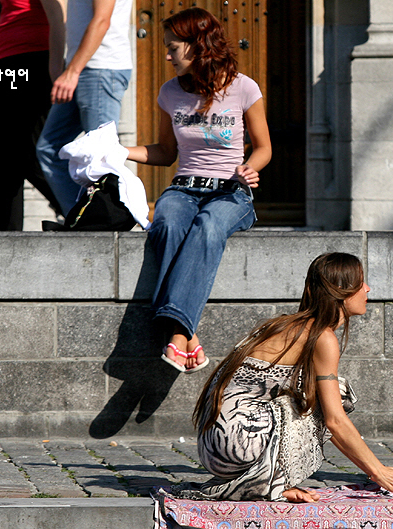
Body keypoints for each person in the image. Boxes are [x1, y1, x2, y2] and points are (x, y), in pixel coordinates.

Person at [181, 252, 393, 503]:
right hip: (237, 444)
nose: (368, 289)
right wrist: (378, 472)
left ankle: (265, 483)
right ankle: (266, 486)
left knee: (318, 393)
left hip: (214, 446)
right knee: (335, 394)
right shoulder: (322, 337)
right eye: (361, 283)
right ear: (342, 291)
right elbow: (334, 420)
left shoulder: (286, 324)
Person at [125, 8, 271, 374]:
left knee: (208, 226)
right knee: (168, 223)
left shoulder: (244, 87)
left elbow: (264, 147)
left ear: (198, 46)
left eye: (173, 48)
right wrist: (118, 151)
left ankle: (175, 333)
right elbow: (164, 153)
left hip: (231, 193)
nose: (168, 55)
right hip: (183, 188)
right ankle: (187, 336)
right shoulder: (169, 93)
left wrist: (250, 168)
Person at [0, 0, 64, 230]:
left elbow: (59, 13)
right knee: (2, 158)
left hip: (34, 58)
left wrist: (57, 70)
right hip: (12, 60)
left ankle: (88, 210)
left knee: (26, 153)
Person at [35, 0, 132, 215]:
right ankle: (83, 218)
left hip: (100, 69)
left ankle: (108, 225)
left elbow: (101, 21)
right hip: (82, 68)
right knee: (50, 150)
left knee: (100, 158)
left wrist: (72, 71)